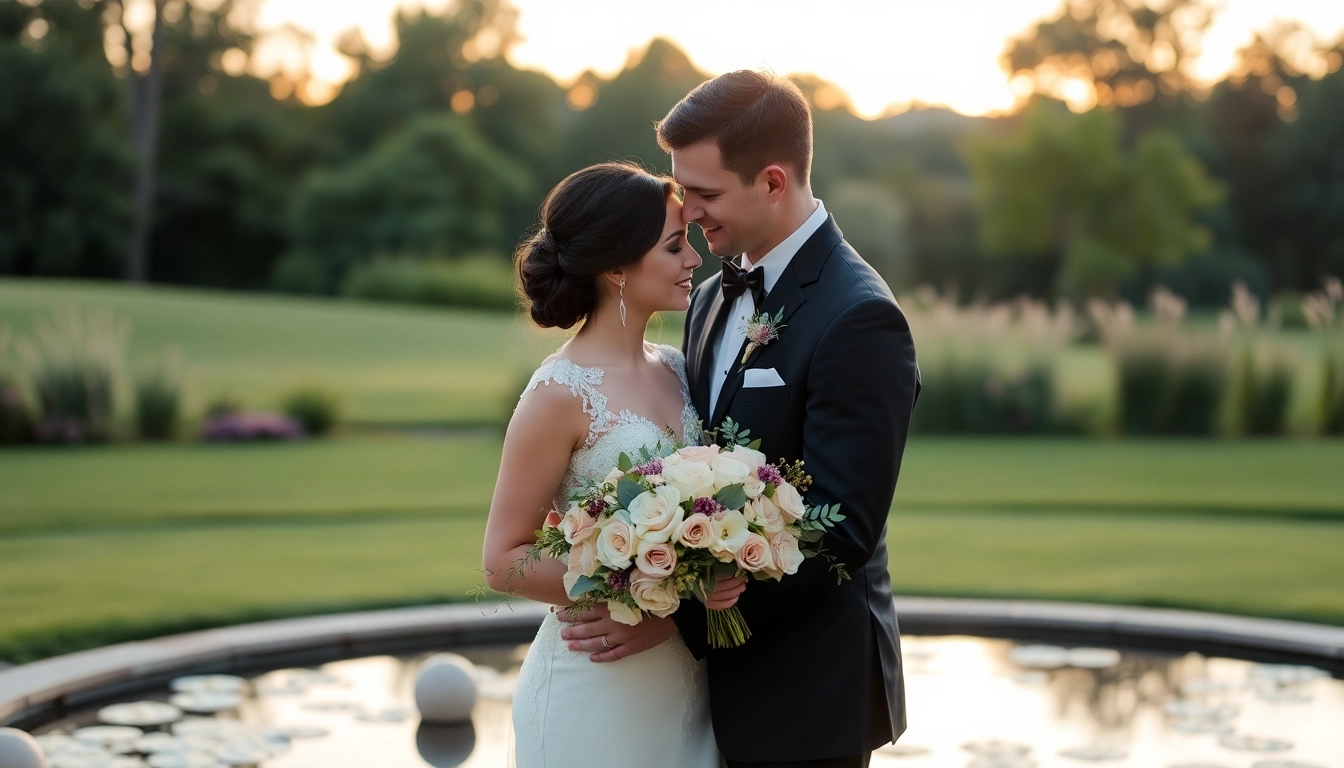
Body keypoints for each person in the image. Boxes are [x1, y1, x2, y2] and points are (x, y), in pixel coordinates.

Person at [563, 70, 921, 768]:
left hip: (803, 697)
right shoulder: (709, 296)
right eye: (682, 188)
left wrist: (672, 617)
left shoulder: (860, 318)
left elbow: (838, 532)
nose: (687, 212)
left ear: (774, 181)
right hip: (692, 699)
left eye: (706, 193)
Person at [481, 161, 717, 767]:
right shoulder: (557, 396)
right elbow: (503, 562)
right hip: (593, 688)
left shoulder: (679, 368)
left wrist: (677, 602)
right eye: (674, 246)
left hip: (683, 682)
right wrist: (637, 590)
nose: (693, 259)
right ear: (616, 268)